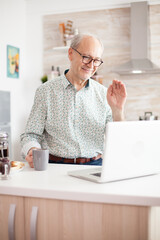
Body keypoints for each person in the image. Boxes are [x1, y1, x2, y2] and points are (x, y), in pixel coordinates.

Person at [20, 33, 127, 168]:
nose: (91, 65)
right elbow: (30, 135)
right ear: (70, 53)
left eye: (96, 60)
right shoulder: (46, 91)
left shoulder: (104, 94)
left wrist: (118, 110)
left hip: (95, 166)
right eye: (86, 57)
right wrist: (32, 149)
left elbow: (119, 140)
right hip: (55, 166)